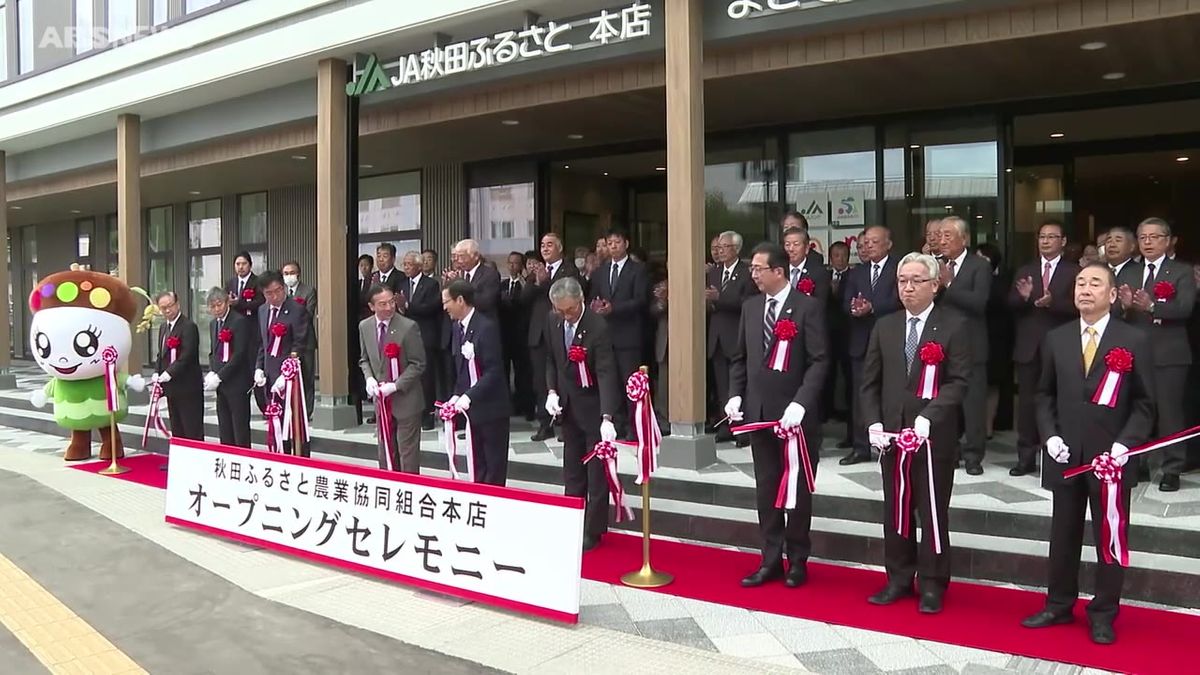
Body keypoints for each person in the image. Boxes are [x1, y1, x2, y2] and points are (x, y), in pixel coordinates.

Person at [1022, 263, 1154, 645]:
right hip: (1065, 455)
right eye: (1080, 283)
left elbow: (1146, 404)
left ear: (1112, 295)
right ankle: (1058, 604)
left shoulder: (1135, 339)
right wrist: (1048, 437)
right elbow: (1043, 393)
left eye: (1095, 283)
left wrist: (1124, 444)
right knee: (1062, 534)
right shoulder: (1056, 338)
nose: (1085, 289)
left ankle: (1104, 612)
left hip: (1111, 460)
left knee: (1108, 537)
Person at [861, 252, 971, 614]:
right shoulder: (886, 326)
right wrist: (873, 422)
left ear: (935, 285)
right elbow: (870, 382)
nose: (908, 288)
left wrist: (931, 416)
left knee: (933, 510)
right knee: (897, 507)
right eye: (902, 281)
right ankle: (897, 578)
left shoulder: (953, 325)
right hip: (893, 436)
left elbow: (958, 382)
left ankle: (933, 583)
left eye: (916, 281)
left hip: (932, 437)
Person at [725, 242, 828, 588]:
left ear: (778, 271)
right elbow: (740, 358)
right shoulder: (751, 308)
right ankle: (770, 558)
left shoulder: (807, 308)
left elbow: (819, 360)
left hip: (795, 419)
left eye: (758, 268)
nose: (752, 274)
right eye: (751, 269)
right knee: (766, 490)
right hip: (759, 414)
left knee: (796, 491)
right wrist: (735, 396)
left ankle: (798, 559)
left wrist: (801, 403)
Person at [1117, 217, 1195, 491]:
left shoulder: (1181, 271)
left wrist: (1152, 307)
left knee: (1169, 413)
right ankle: (1136, 462)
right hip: (1134, 353)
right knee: (1135, 410)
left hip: (1168, 354)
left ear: (1167, 240)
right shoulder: (1127, 272)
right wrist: (1125, 307)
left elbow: (1185, 308)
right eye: (1143, 237)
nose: (1148, 242)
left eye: (1154, 237)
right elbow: (1114, 311)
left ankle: (1172, 468)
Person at [545, 276, 619, 552]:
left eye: (571, 310)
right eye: (560, 311)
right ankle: (571, 521)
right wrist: (551, 391)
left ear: (581, 301)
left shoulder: (597, 326)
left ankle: (593, 529)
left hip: (593, 407)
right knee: (572, 471)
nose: (566, 316)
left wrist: (607, 416)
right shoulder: (553, 322)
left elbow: (606, 371)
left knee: (596, 475)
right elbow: (551, 360)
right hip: (567, 406)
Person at [1008, 222, 1079, 476]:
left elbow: (1079, 307)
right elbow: (1010, 303)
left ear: (1063, 241)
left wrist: (1053, 303)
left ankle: (1058, 457)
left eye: (1052, 237)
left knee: (1060, 403)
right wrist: (1025, 298)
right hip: (1029, 347)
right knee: (1027, 405)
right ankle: (1025, 458)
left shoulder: (1074, 271)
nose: (1046, 241)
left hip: (1061, 347)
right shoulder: (1026, 269)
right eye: (1042, 237)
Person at [935, 216, 992, 475]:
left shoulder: (979, 266)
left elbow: (979, 303)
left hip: (972, 346)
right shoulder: (934, 266)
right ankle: (950, 451)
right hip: (941, 347)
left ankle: (973, 455)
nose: (942, 240)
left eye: (948, 235)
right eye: (940, 235)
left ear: (964, 239)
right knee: (946, 403)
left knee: (972, 405)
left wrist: (949, 284)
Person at [840, 226, 900, 465]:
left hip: (891, 340)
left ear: (888, 244)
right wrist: (854, 308)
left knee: (893, 395)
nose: (869, 246)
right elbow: (846, 302)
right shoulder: (857, 273)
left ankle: (893, 444)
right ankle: (861, 446)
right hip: (861, 341)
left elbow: (900, 299)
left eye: (875, 241)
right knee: (860, 395)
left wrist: (872, 307)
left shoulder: (899, 268)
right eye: (866, 242)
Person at [444, 279, 511, 486]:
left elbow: (494, 371)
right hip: (472, 409)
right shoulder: (457, 327)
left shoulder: (486, 327)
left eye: (447, 301)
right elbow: (461, 369)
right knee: (477, 461)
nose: (444, 307)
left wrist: (468, 396)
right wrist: (457, 394)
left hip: (491, 407)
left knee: (493, 464)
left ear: (461, 300)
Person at [587, 229, 649, 438]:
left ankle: (635, 426)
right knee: (610, 383)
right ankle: (618, 423)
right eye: (609, 243)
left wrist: (614, 308)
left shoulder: (638, 270)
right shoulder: (600, 271)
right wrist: (596, 305)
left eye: (617, 242)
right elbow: (592, 298)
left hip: (629, 336)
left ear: (626, 243)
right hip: (605, 335)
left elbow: (640, 300)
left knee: (630, 383)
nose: (613, 246)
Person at [358, 284, 426, 473]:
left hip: (406, 400)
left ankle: (410, 491)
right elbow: (364, 359)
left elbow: (418, 363)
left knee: (407, 454)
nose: (388, 307)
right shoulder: (365, 326)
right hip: (382, 402)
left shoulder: (408, 326)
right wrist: (369, 378)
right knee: (385, 451)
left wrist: (396, 386)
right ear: (372, 307)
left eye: (391, 302)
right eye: (382, 304)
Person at [524, 234, 580, 441]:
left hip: (562, 329)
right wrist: (537, 282)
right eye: (542, 245)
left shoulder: (569, 269)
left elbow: (565, 296)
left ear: (560, 248)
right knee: (541, 380)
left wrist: (546, 283)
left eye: (549, 245)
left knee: (566, 377)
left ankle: (568, 424)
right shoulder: (538, 271)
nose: (545, 249)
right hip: (539, 333)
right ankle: (544, 424)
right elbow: (523, 299)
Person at [705, 230, 757, 441]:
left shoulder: (747, 273)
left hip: (736, 335)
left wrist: (720, 298)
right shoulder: (714, 273)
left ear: (736, 249)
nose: (720, 251)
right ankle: (725, 424)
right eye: (718, 247)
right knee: (721, 384)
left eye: (724, 246)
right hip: (717, 336)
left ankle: (742, 428)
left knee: (739, 382)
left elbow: (748, 302)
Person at [253, 271, 311, 455]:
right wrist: (259, 368)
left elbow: (299, 344)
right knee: (276, 421)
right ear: (263, 294)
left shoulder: (296, 309)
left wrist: (286, 374)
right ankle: (280, 456)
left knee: (294, 424)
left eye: (278, 290)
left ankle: (300, 459)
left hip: (292, 377)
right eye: (269, 293)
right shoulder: (262, 311)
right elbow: (263, 343)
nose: (275, 296)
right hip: (270, 376)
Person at [203, 287, 253, 448]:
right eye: (213, 306)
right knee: (224, 427)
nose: (217, 309)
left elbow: (239, 354)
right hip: (221, 386)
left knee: (240, 429)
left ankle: (243, 460)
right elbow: (214, 351)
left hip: (237, 383)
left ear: (227, 302)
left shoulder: (239, 321)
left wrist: (220, 376)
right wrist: (212, 371)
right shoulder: (213, 324)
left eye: (219, 304)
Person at [399, 250, 442, 431]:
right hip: (406, 336)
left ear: (418, 265)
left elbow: (431, 307)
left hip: (425, 335)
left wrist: (408, 306)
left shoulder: (431, 284)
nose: (406, 268)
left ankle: (428, 414)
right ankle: (413, 412)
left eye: (409, 264)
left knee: (426, 378)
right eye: (405, 264)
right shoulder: (402, 284)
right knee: (409, 376)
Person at [153, 291, 204, 441]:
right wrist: (157, 372)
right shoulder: (163, 328)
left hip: (188, 387)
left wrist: (168, 373)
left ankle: (194, 461)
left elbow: (187, 355)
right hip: (172, 389)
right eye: (163, 308)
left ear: (178, 304)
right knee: (177, 427)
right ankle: (180, 460)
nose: (167, 310)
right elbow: (161, 354)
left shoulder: (189, 326)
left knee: (191, 428)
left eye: (170, 306)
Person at [225, 251, 265, 413]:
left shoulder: (258, 282)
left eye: (244, 264)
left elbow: (261, 303)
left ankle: (265, 406)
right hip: (235, 333)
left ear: (250, 265)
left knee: (254, 369)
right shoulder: (230, 283)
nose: (240, 267)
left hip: (253, 331)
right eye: (237, 264)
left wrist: (240, 303)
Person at [500, 251, 534, 420]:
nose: (513, 266)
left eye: (516, 263)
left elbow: (524, 305)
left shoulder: (526, 284)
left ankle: (526, 406)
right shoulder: (502, 285)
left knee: (523, 373)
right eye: (510, 263)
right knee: (504, 372)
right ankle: (508, 405)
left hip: (522, 335)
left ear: (522, 266)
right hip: (505, 335)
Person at [825, 241, 853, 443]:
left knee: (848, 378)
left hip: (847, 334)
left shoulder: (853, 276)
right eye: (836, 255)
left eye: (843, 255)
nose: (840, 259)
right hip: (826, 333)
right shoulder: (823, 276)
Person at [282, 261, 317, 419]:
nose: (289, 276)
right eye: (286, 273)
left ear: (299, 274)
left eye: (292, 272)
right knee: (288, 377)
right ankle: (291, 409)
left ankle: (307, 411)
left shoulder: (308, 291)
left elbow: (307, 315)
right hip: (286, 341)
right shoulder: (281, 291)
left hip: (306, 341)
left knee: (307, 377)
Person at [782, 227, 831, 305]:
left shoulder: (819, 273)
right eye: (787, 244)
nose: (791, 249)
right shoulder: (779, 271)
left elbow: (819, 304)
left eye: (796, 244)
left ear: (807, 248)